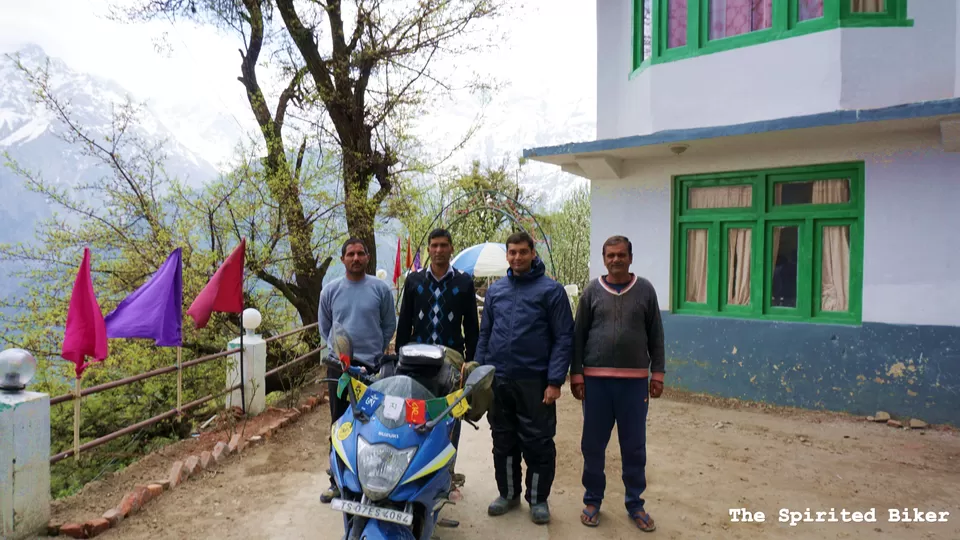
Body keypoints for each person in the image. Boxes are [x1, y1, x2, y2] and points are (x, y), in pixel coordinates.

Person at [475, 231, 574, 525]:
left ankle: (538, 499)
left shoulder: (551, 292)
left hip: (535, 381)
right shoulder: (496, 291)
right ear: (507, 255)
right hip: (499, 380)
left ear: (533, 253)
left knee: (538, 442)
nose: (517, 257)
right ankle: (507, 494)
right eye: (512, 252)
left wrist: (555, 380)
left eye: (522, 251)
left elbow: (564, 338)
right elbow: (485, 334)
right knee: (503, 440)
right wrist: (481, 373)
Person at [570, 235, 665, 532]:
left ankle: (635, 503)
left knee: (634, 446)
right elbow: (578, 335)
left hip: (634, 385)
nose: (615, 260)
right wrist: (576, 374)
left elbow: (656, 336)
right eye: (610, 255)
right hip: (596, 384)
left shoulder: (646, 291)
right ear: (603, 258)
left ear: (630, 257)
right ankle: (592, 500)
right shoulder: (591, 292)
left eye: (621, 254)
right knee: (593, 445)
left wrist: (658, 373)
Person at [396, 228, 480, 492]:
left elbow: (472, 327)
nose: (439, 250)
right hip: (416, 363)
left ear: (451, 248)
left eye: (444, 245)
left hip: (452, 363)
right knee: (414, 416)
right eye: (434, 245)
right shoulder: (414, 282)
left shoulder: (464, 283)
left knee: (449, 419)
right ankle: (413, 473)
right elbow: (404, 322)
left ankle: (446, 478)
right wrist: (399, 357)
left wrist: (471, 363)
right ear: (428, 249)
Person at [318, 237, 397, 504]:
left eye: (360, 253)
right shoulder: (330, 290)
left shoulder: (380, 289)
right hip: (339, 369)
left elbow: (388, 324)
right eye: (350, 254)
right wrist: (341, 355)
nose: (355, 258)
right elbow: (325, 328)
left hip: (372, 369)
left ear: (367, 258)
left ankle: (372, 482)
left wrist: (376, 350)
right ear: (342, 260)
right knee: (339, 425)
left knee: (373, 425)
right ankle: (337, 482)